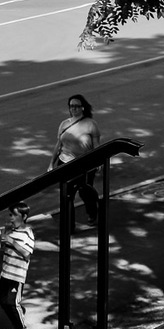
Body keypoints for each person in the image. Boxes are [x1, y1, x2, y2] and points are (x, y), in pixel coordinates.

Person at [49, 94, 101, 230]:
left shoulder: (90, 124)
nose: (74, 109)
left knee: (85, 191)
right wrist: (51, 163)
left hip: (85, 165)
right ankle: (69, 226)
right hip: (65, 162)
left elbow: (96, 145)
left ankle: (92, 213)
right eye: (71, 106)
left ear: (82, 107)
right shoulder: (64, 124)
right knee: (67, 196)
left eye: (77, 106)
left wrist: (98, 161)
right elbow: (58, 145)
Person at [0, 202, 34, 329]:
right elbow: (5, 249)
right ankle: (16, 328)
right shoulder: (12, 231)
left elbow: (27, 253)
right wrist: (3, 240)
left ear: (24, 216)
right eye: (10, 215)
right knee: (3, 302)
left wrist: (11, 241)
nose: (11, 218)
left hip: (17, 275)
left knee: (13, 303)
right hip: (5, 272)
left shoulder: (27, 233)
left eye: (14, 215)